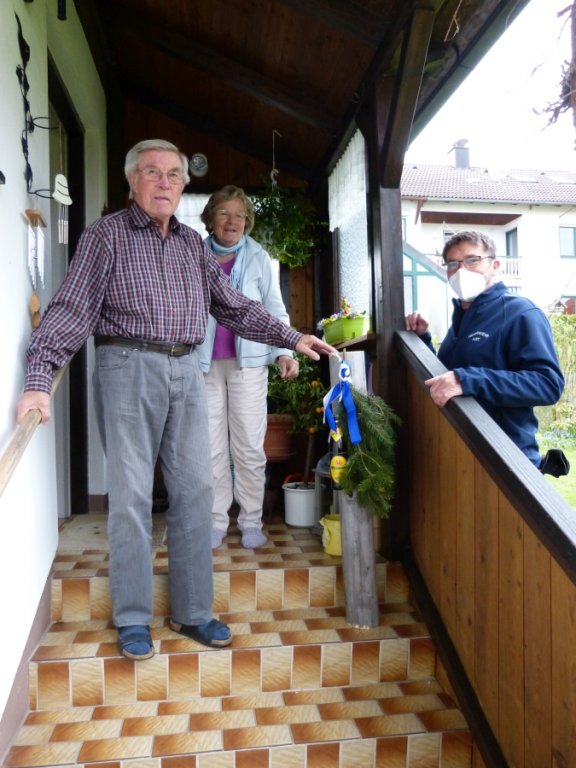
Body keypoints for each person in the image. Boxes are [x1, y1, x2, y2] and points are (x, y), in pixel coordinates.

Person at [16, 139, 335, 661]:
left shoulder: (192, 244)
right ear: (132, 182)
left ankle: (192, 610)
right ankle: (134, 617)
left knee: (195, 490)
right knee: (132, 496)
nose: (163, 182)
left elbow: (232, 304)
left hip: (190, 367)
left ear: (184, 186)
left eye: (172, 174)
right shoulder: (106, 237)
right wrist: (38, 375)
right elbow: (72, 308)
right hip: (127, 366)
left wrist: (291, 337)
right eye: (151, 173)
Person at [405, 230, 569, 476]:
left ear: (495, 265)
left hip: (507, 463)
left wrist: (467, 380)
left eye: (472, 260)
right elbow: (446, 379)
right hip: (460, 457)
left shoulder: (521, 313)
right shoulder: (460, 322)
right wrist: (422, 340)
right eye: (453, 264)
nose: (462, 271)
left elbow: (548, 384)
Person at [197, 186, 297, 550]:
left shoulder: (259, 258)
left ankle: (251, 520)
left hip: (249, 364)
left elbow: (274, 310)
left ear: (247, 221)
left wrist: (286, 351)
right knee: (210, 448)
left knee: (249, 448)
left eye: (238, 214)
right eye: (223, 212)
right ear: (210, 218)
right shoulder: (193, 253)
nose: (232, 221)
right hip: (204, 365)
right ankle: (215, 521)